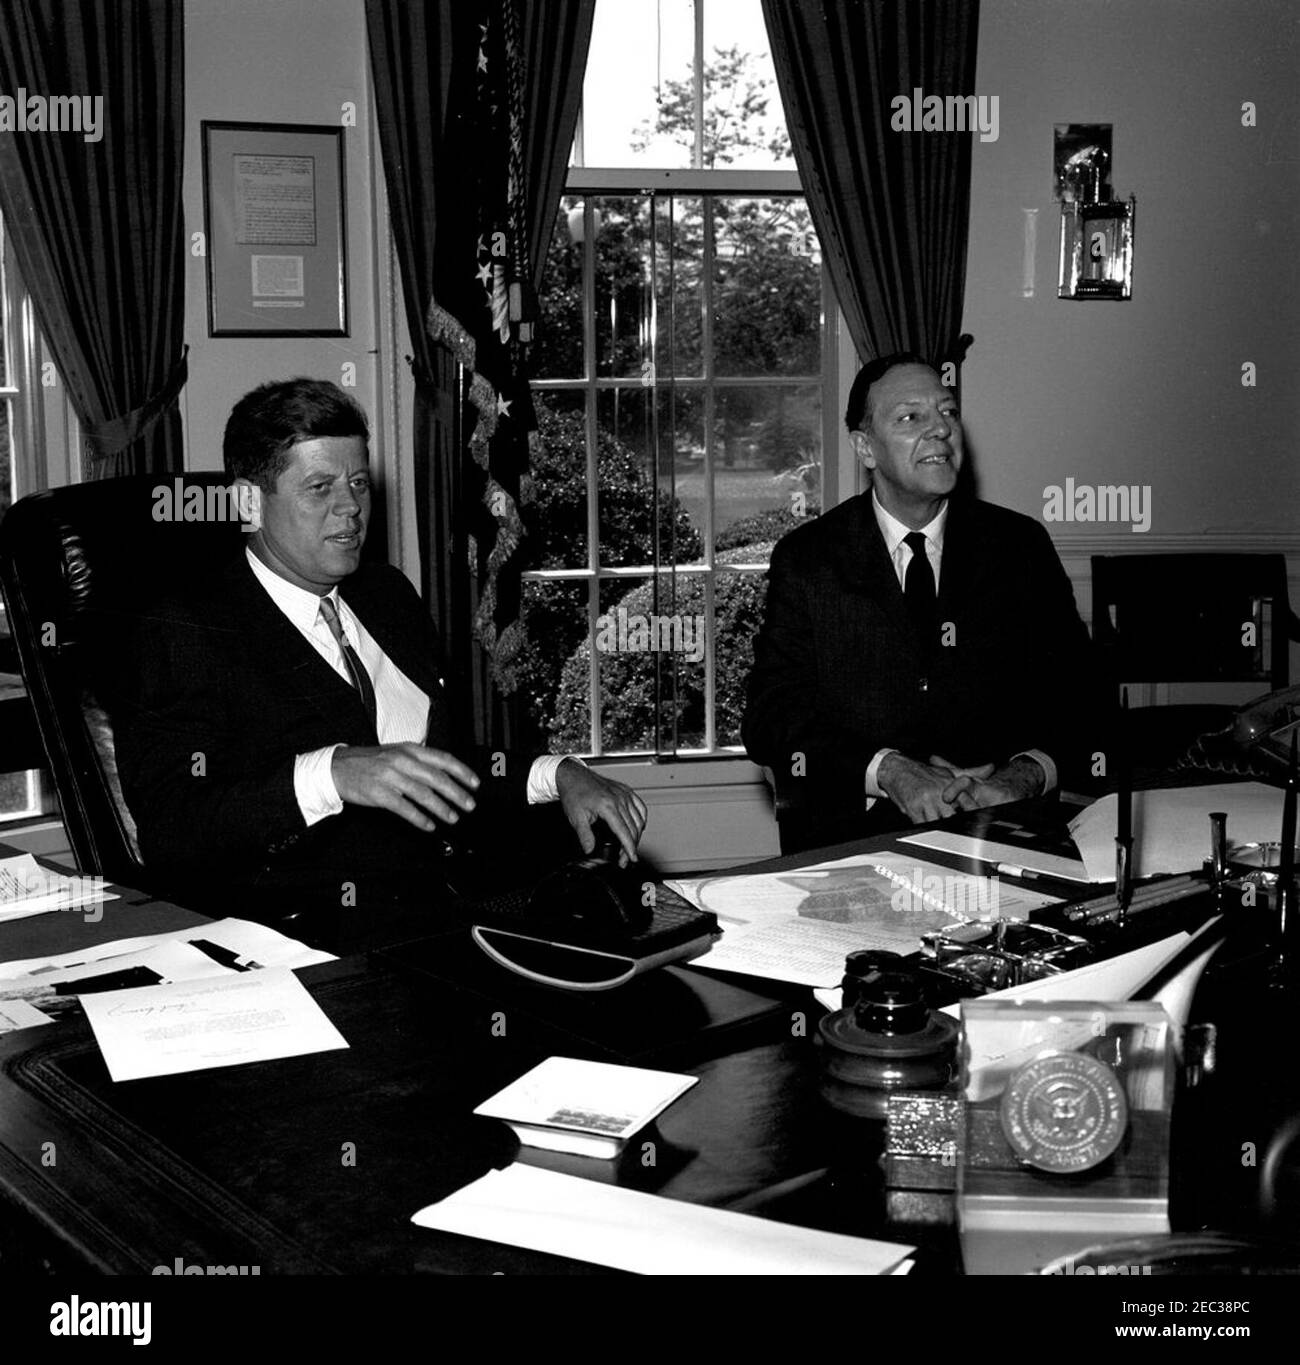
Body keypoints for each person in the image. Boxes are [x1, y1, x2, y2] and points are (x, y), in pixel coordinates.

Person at [115, 378, 647, 946]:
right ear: (249, 502)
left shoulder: (385, 595)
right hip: (303, 943)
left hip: (448, 910)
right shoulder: (185, 630)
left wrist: (557, 774)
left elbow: (431, 766)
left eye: (359, 484)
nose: (351, 508)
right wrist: (331, 773)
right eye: (319, 487)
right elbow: (173, 831)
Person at [743, 353, 1097, 852]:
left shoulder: (1019, 547)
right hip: (853, 844)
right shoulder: (809, 560)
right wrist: (890, 771)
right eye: (911, 417)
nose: (940, 430)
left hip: (1003, 837)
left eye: (948, 412)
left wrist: (1021, 778)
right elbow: (771, 718)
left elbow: (1085, 697)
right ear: (865, 448)